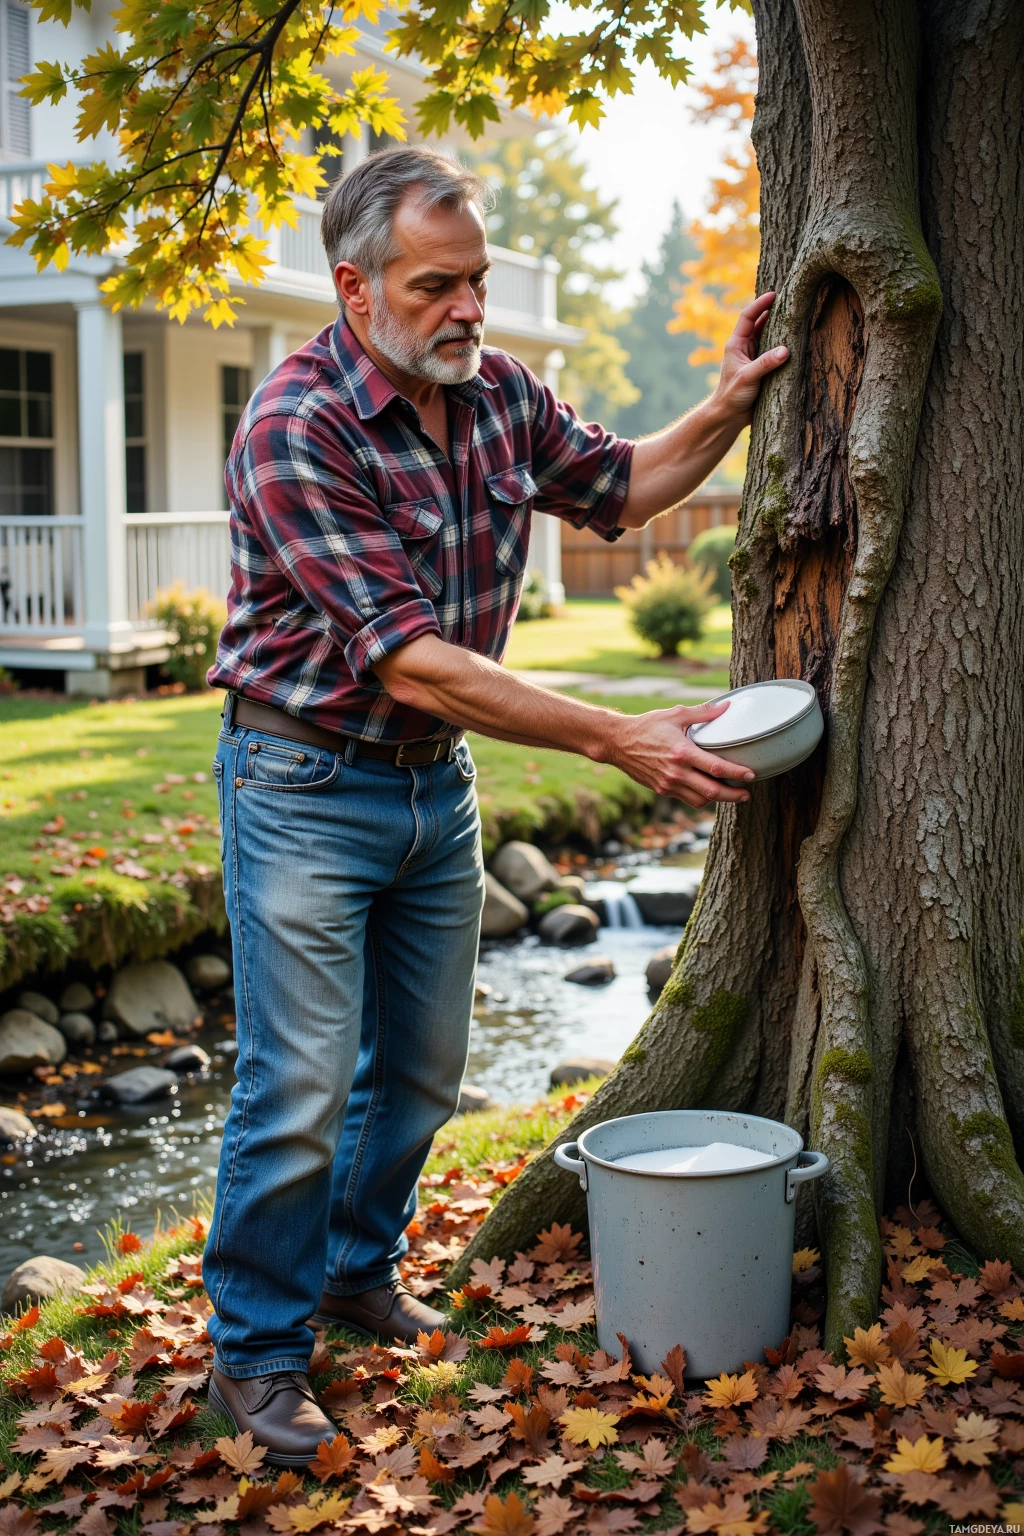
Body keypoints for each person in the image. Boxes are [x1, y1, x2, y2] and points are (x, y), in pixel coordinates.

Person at [203, 144, 788, 1463]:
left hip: (432, 787)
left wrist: (730, 406)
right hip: (302, 783)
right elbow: (410, 655)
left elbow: (620, 485)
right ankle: (252, 1358)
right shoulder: (299, 428)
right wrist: (616, 738)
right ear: (355, 292)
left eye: (475, 281)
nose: (469, 307)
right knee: (295, 1084)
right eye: (435, 286)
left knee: (415, 1072)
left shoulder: (500, 393)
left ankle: (355, 1272)